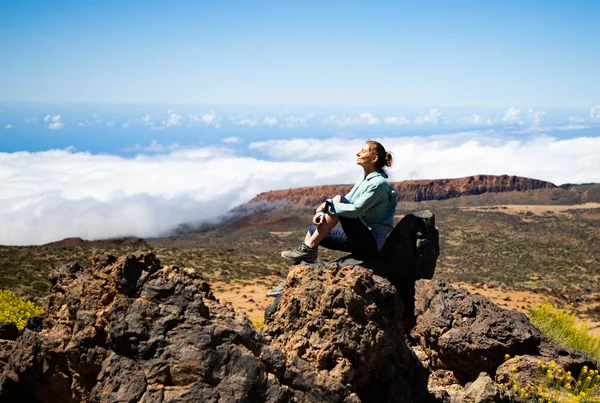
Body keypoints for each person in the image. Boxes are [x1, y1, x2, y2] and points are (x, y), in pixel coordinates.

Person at [281, 140, 398, 263]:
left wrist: (327, 206)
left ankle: (307, 248)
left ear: (374, 158)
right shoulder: (364, 179)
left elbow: (354, 211)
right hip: (360, 238)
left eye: (363, 151)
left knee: (338, 200)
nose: (357, 153)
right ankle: (308, 256)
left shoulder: (378, 183)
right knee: (313, 230)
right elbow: (346, 201)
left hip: (371, 243)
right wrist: (322, 212)